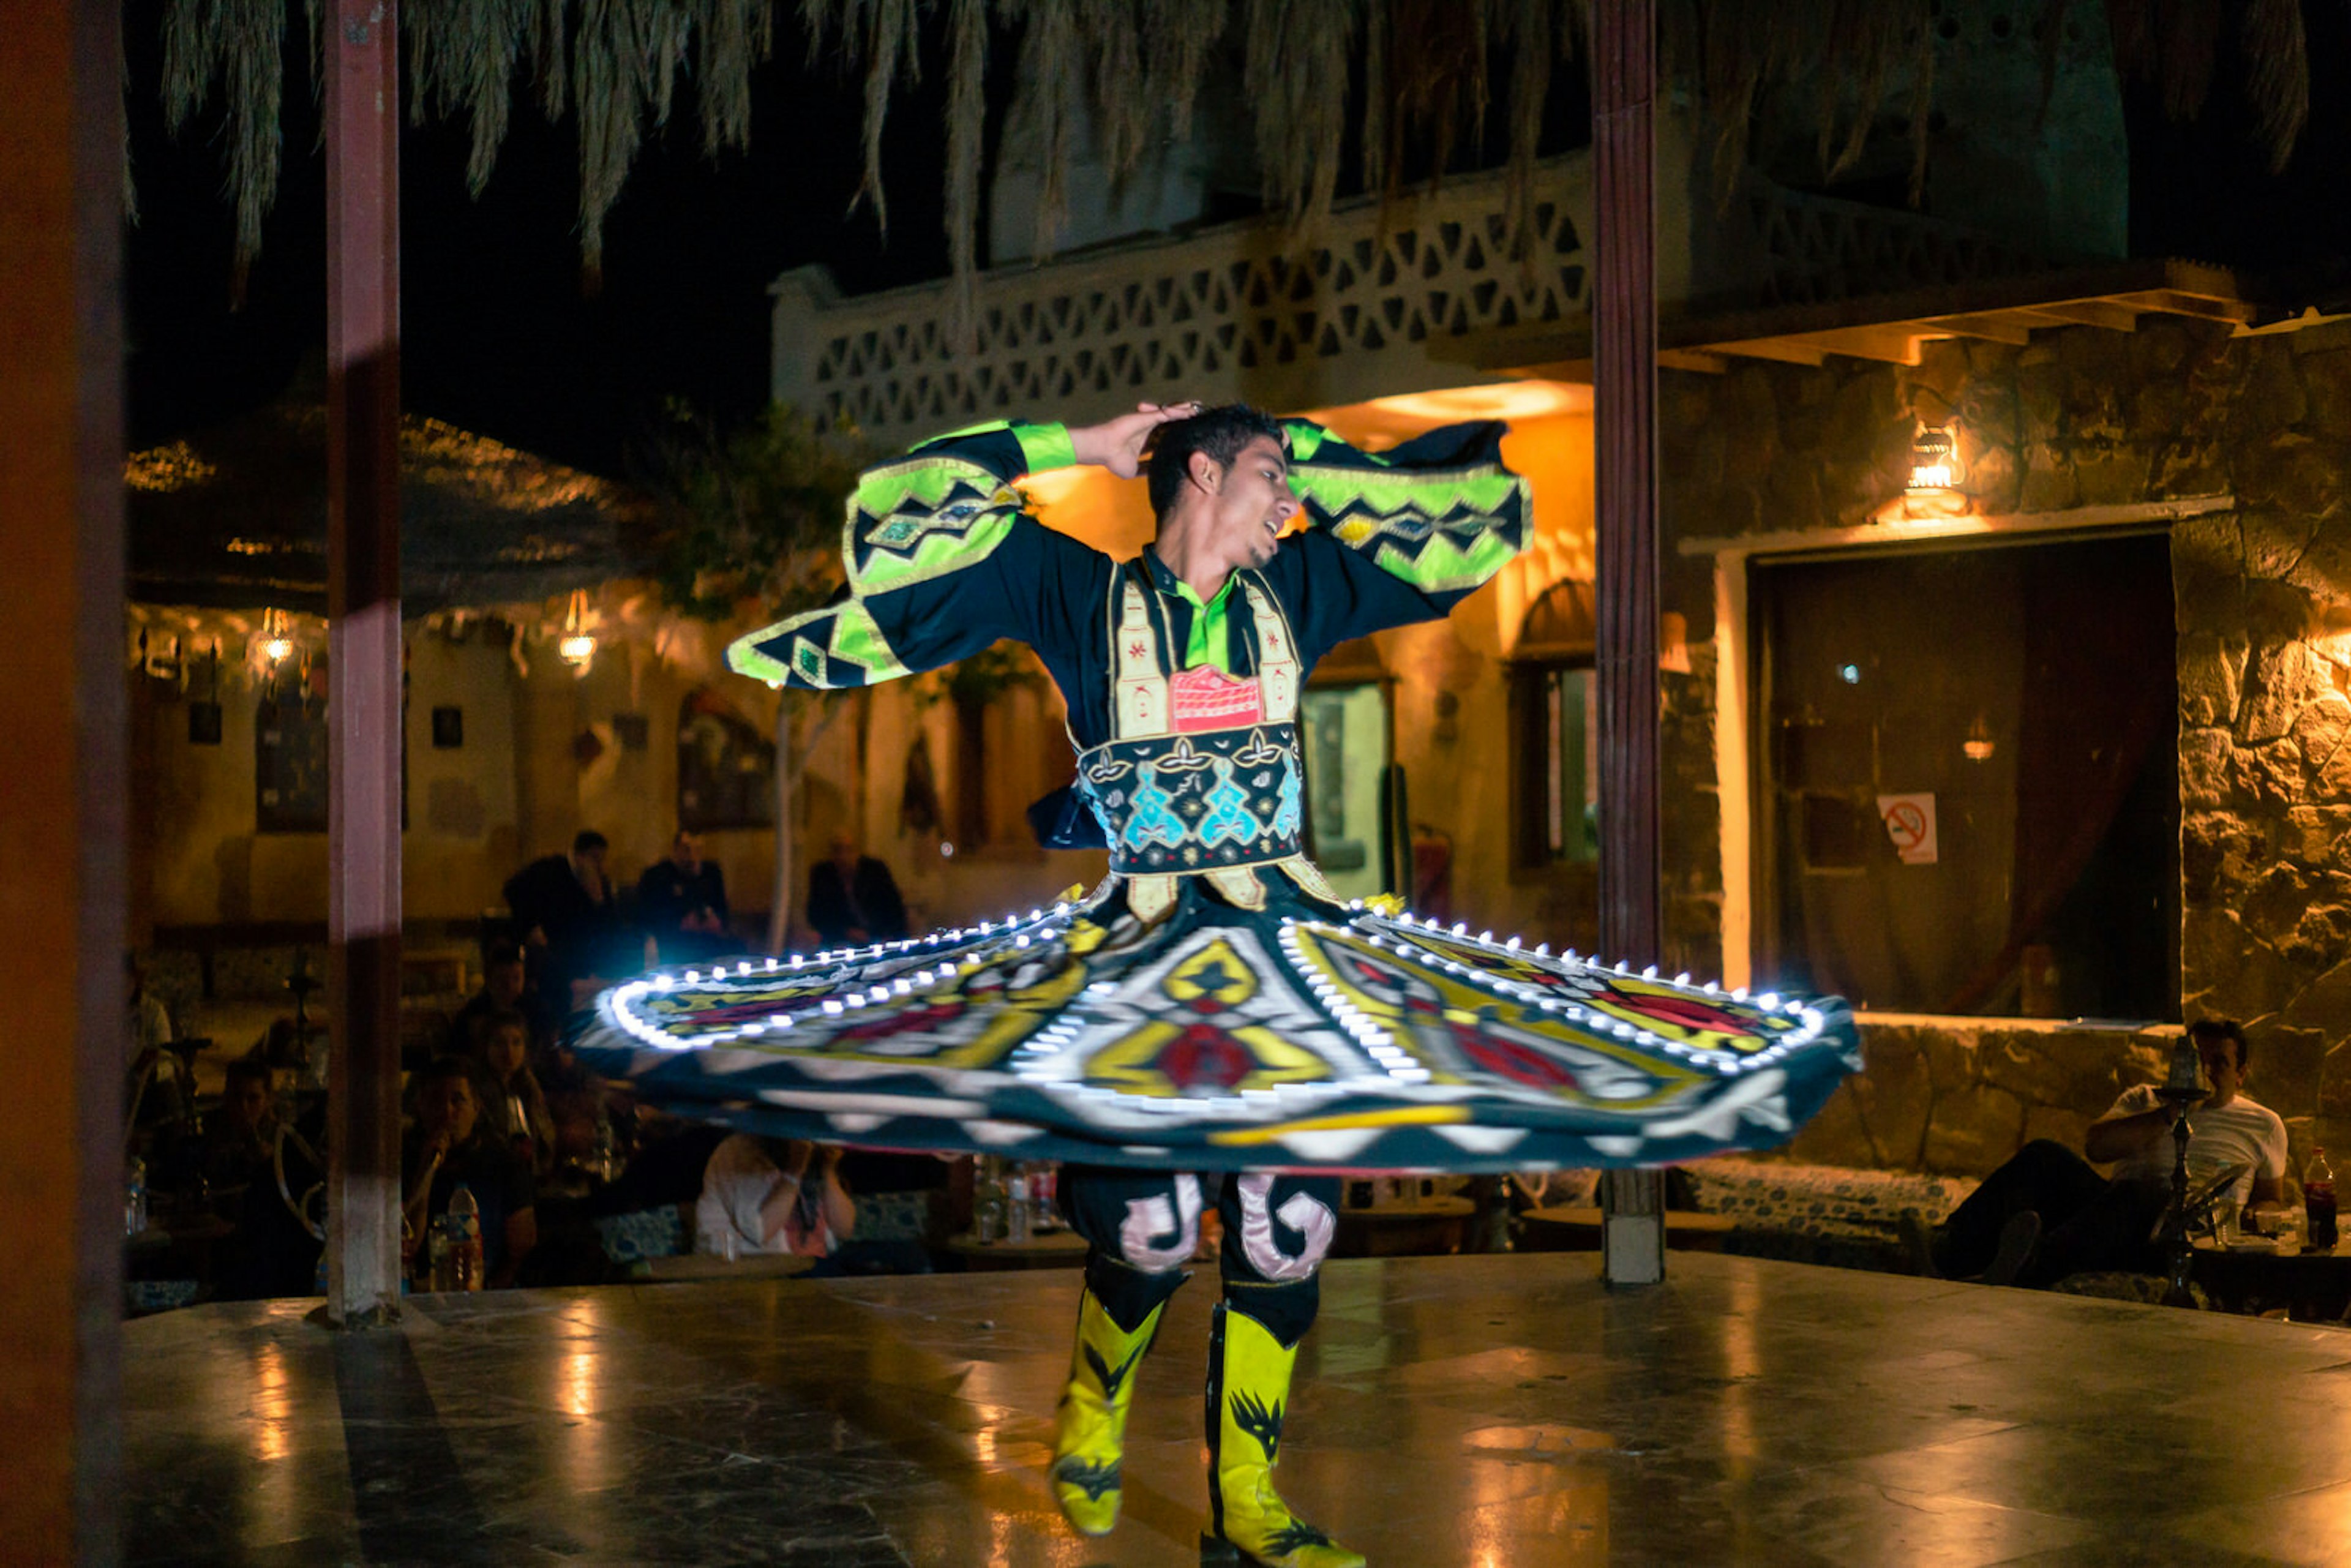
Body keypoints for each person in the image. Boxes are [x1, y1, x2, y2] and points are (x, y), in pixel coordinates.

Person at [572, 402, 1862, 1568]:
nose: (1288, 501)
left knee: (1284, 1227)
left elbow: (1463, 535)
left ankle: (1249, 1499)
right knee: (1145, 1224)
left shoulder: (1300, 585)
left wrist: (1318, 446)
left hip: (1286, 944)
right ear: (1199, 472)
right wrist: (1074, 445)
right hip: (1137, 951)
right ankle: (1092, 1402)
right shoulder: (1076, 593)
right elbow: (908, 516)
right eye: (1266, 474)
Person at [1921, 1018, 2288, 1288]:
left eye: (2219, 1062)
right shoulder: (2145, 1098)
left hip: (2178, 1234)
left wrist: (2254, 1218)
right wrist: (2168, 1113)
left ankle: (2026, 1266)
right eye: (2196, 1060)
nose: (2205, 1071)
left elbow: (2271, 1200)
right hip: (2112, 1209)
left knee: (2142, 1196)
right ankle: (1949, 1250)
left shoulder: (2264, 1124)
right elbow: (2096, 1147)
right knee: (2044, 1156)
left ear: (2240, 1073)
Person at [402, 1056, 537, 1289]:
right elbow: (407, 1242)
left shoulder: (504, 1163)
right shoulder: (403, 1162)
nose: (447, 1112)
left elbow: (521, 1246)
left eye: (458, 1101)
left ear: (476, 1107)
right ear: (419, 1106)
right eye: (435, 1101)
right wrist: (427, 1168)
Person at [503, 831, 625, 1019]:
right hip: (551, 953)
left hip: (584, 958)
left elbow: (612, 927)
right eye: (594, 859)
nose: (599, 866)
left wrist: (598, 900)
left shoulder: (601, 883)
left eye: (602, 860)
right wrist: (532, 927)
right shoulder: (549, 870)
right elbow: (513, 890)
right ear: (579, 857)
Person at [694, 1135, 857, 1264]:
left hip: (814, 1266)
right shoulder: (738, 1152)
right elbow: (759, 1231)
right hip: (755, 1270)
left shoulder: (815, 1156)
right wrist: (795, 1169)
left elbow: (845, 1230)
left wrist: (829, 1169)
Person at [472, 1008, 558, 1177]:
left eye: (516, 1043)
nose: (509, 1052)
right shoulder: (477, 1088)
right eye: (499, 1043)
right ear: (486, 1047)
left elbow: (546, 1135)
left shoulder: (528, 1085)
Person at [637, 828, 735, 964]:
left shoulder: (711, 873)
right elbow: (647, 916)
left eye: (698, 850)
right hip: (673, 942)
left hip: (708, 941)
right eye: (687, 849)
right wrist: (681, 923)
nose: (692, 856)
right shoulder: (657, 876)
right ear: (676, 849)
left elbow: (722, 908)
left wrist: (716, 920)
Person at [805, 833, 907, 949]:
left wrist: (885, 935)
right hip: (843, 941)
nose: (843, 856)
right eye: (837, 850)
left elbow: (894, 909)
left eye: (849, 850)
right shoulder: (823, 875)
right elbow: (817, 916)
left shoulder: (875, 871)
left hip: (881, 936)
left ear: (858, 852)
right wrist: (846, 932)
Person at [444, 938, 540, 1057]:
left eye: (516, 979)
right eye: (502, 979)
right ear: (489, 980)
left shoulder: (534, 1011)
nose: (509, 986)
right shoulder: (473, 1014)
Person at [198, 1057, 279, 1196]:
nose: (244, 1107)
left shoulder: (280, 1139)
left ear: (268, 1100)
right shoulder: (208, 1130)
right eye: (237, 1097)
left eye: (253, 1099)